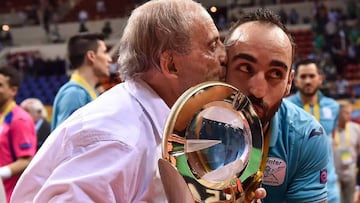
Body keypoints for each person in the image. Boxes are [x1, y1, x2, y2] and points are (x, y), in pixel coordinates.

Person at [10, 1, 266, 202]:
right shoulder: (116, 138)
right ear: (171, 64)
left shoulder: (166, 118)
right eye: (212, 46)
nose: (224, 57)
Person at [225, 8, 330, 202]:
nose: (257, 90)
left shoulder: (306, 137)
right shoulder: (186, 127)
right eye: (246, 68)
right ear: (223, 68)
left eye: (275, 74)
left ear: (289, 83)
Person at [287, 58, 340, 203]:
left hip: (330, 185)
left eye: (312, 76)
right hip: (298, 187)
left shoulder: (333, 107)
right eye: (303, 77)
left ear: (320, 79)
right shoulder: (286, 107)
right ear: (295, 80)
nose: (308, 81)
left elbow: (331, 139)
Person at [51, 32, 111, 130]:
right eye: (104, 52)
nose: (109, 59)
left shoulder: (89, 92)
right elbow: (66, 141)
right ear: (91, 56)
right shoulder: (74, 94)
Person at [0, 66, 37, 202]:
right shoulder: (2, 116)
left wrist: (1, 173)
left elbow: (27, 160)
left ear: (13, 90)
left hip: (11, 196)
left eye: (0, 85)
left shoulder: (20, 120)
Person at [333, 101, 360, 203]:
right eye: (346, 113)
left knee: (350, 200)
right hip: (335, 173)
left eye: (350, 112)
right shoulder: (330, 129)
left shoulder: (356, 128)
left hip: (351, 172)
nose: (350, 116)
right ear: (338, 114)